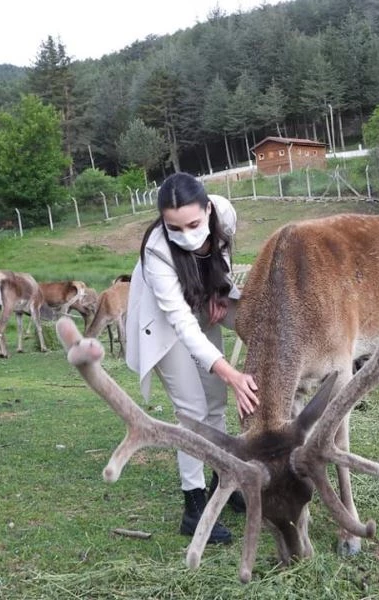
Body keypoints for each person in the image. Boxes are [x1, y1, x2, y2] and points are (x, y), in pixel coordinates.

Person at [125, 172, 259, 544]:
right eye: (175, 228)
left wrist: (219, 289)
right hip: (167, 326)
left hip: (202, 302)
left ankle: (222, 484)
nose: (186, 234)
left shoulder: (225, 214)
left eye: (194, 224)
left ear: (208, 209)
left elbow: (223, 254)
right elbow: (182, 325)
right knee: (193, 411)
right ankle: (194, 507)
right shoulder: (156, 252)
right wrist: (231, 371)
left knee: (215, 403)